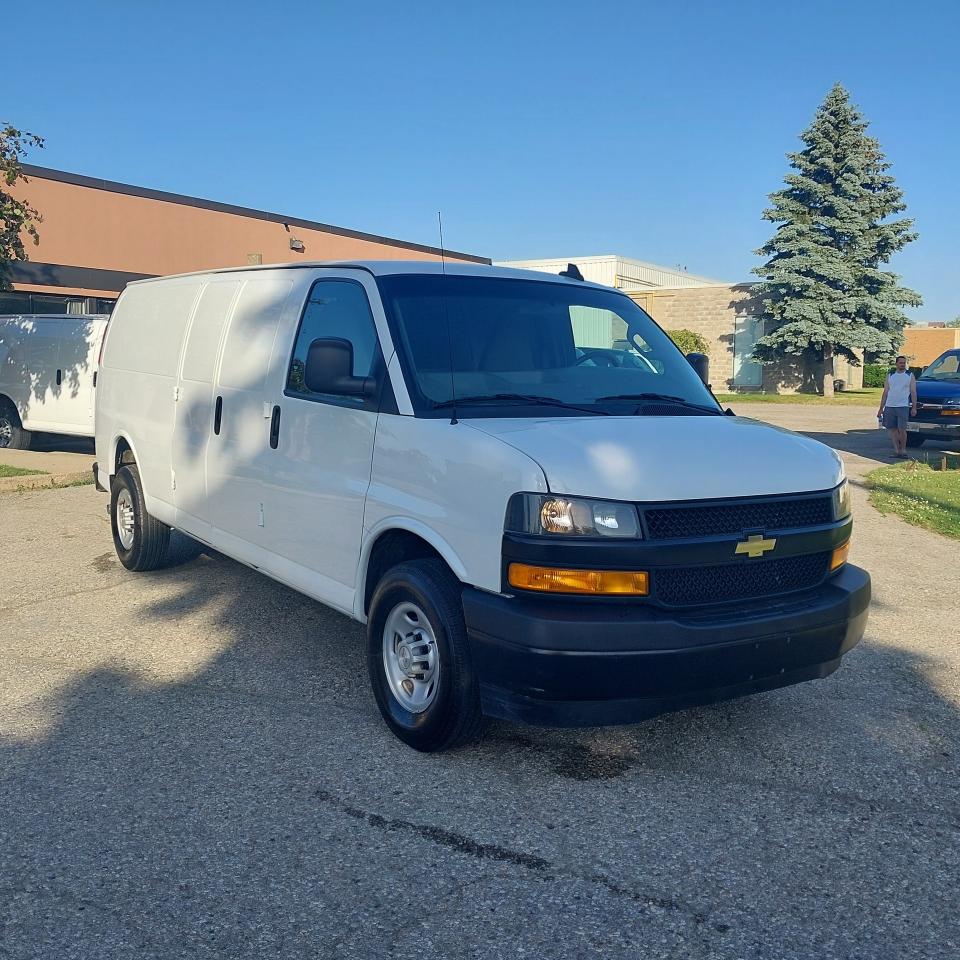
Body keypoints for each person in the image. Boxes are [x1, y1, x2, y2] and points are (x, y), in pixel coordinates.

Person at [877, 355, 918, 457]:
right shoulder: (890, 375)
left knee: (902, 430)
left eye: (904, 363)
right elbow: (885, 392)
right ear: (896, 364)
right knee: (893, 429)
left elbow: (913, 392)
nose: (902, 365)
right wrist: (881, 408)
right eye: (900, 363)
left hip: (903, 406)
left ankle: (903, 450)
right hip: (890, 406)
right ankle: (896, 450)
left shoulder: (909, 375)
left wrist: (914, 407)